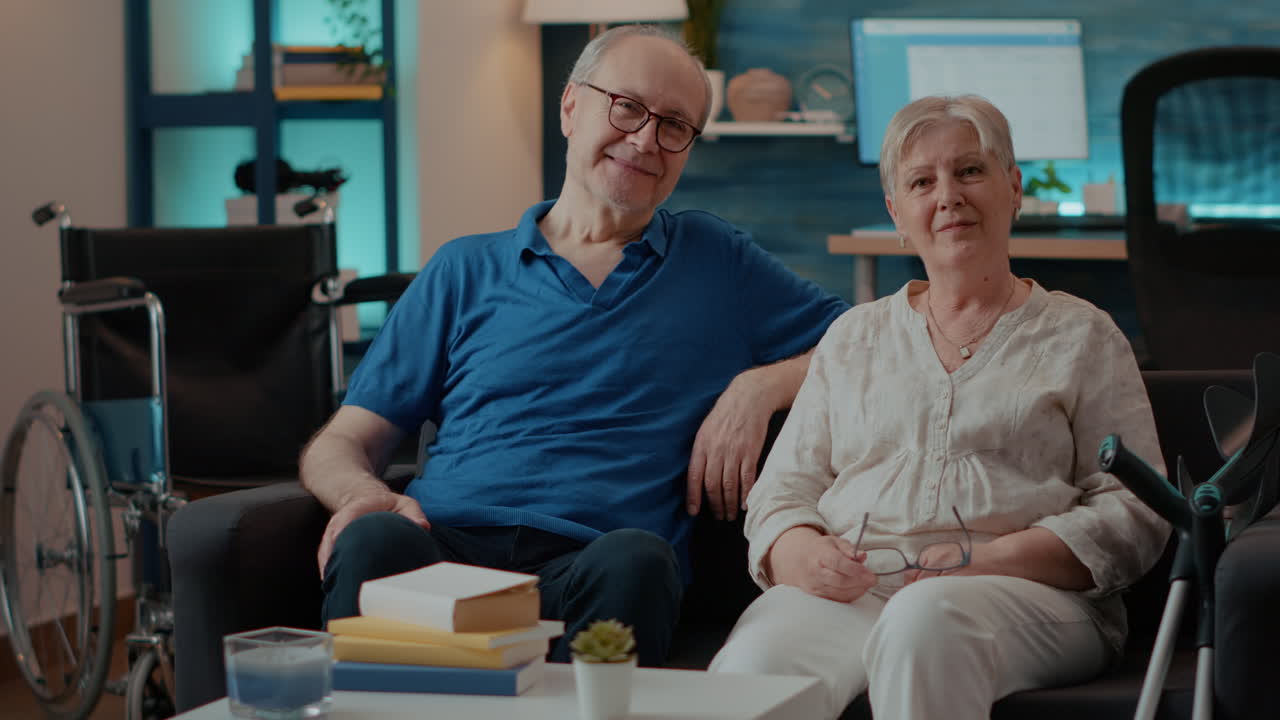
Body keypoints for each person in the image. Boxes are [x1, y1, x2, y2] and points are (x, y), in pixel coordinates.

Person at [299, 24, 848, 667]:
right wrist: (361, 496)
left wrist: (762, 384)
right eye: (627, 107)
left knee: (640, 560)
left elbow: (871, 340)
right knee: (371, 541)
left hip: (595, 564)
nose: (645, 139)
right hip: (444, 552)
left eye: (675, 125)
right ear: (570, 107)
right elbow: (342, 441)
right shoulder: (462, 269)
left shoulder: (718, 261)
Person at [708, 94, 1171, 718]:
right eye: (922, 181)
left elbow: (1138, 508)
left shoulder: (1082, 335)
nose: (948, 195)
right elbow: (782, 492)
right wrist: (799, 552)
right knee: (751, 666)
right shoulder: (853, 337)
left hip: (1026, 597)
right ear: (899, 214)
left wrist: (993, 557)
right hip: (856, 593)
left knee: (924, 622)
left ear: (1013, 187)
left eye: (970, 171)